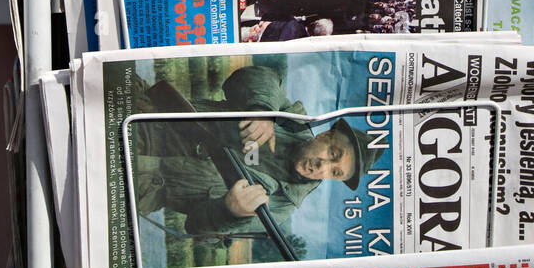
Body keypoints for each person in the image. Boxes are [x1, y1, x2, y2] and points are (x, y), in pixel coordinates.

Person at [127, 63, 370, 240]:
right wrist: (262, 109)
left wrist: (230, 212)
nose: (322, 167)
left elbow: (199, 229)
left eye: (335, 172)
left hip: (137, 179)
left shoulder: (279, 208)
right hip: (145, 110)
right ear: (325, 136)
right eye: (332, 155)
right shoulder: (290, 119)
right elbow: (252, 77)